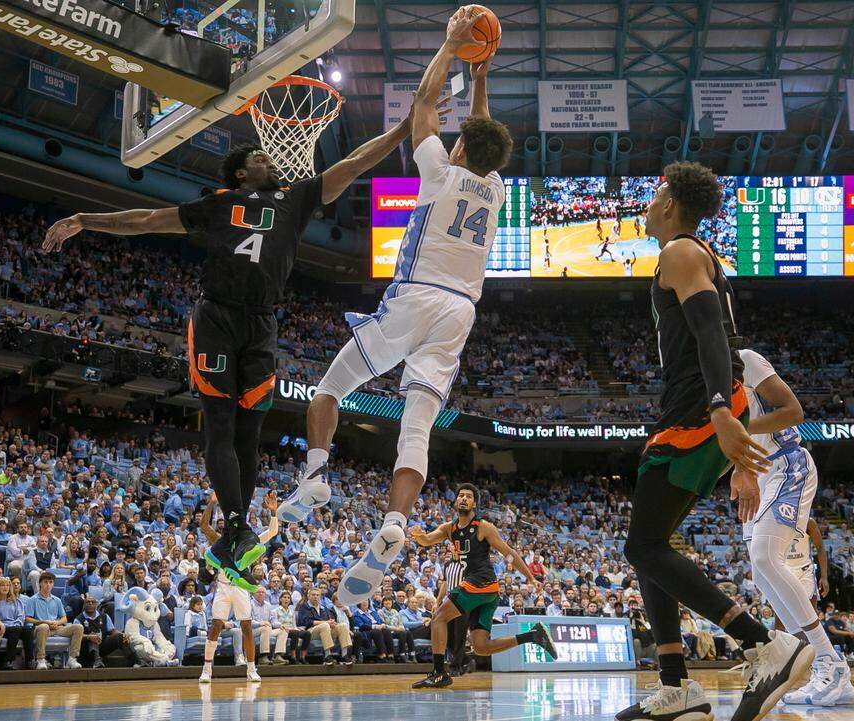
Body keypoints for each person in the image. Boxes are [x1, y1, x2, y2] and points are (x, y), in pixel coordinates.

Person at [44, 84, 419, 591]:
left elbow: (353, 163)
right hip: (216, 318)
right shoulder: (219, 201)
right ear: (242, 172)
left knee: (251, 434)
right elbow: (147, 221)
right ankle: (237, 529)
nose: (274, 158)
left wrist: (401, 128)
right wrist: (86, 220)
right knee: (219, 425)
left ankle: (237, 533)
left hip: (263, 323)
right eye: (262, 156)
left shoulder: (298, 195)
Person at [279, 7, 513, 613]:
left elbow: (426, 104)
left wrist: (449, 47)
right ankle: (392, 524)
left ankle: (314, 474)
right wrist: (481, 78)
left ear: (458, 149)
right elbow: (482, 134)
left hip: (417, 296)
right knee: (417, 426)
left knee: (330, 387)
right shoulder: (498, 189)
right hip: (461, 313)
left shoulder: (439, 170)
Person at [612, 162, 811, 721]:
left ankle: (766, 646)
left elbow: (710, 334)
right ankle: (677, 686)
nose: (646, 205)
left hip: (699, 410)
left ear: (671, 203)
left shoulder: (680, 250)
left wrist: (722, 408)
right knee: (650, 544)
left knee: (642, 547)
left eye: (653, 197)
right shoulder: (687, 254)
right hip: (693, 408)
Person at [733, 347, 853, 707]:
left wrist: (736, 431)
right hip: (759, 470)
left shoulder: (745, 360)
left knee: (766, 558)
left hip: (787, 464)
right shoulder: (704, 376)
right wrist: (740, 466)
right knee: (760, 573)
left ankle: (830, 660)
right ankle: (822, 664)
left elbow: (793, 411)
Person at [409, 483, 557, 688]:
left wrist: (530, 577)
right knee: (481, 647)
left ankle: (438, 672)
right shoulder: (449, 528)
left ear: (474, 504)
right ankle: (533, 635)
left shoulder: (483, 526)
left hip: (481, 582)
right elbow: (427, 540)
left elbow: (509, 553)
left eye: (468, 496)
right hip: (487, 592)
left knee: (439, 618)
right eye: (460, 495)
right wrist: (418, 535)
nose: (463, 498)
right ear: (455, 501)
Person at [198, 492, 279, 683]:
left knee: (246, 627)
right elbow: (203, 526)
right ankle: (206, 669)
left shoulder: (249, 541)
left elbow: (272, 532)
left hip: (241, 588)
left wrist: (274, 513)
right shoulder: (220, 541)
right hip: (224, 587)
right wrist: (212, 503)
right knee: (216, 626)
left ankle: (251, 669)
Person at [25, 571, 84, 670]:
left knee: (78, 627)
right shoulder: (32, 600)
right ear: (40, 583)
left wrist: (57, 622)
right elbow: (27, 618)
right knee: (43, 627)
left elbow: (64, 618)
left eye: (50, 582)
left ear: (53, 584)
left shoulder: (57, 600)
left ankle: (72, 659)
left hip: (57, 627)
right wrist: (44, 622)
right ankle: (41, 659)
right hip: (40, 629)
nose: (48, 584)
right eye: (45, 582)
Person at [297, 587, 355, 666]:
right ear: (308, 596)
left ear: (320, 597)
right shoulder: (304, 607)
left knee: (342, 625)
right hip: (311, 631)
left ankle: (345, 655)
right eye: (313, 595)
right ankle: (328, 656)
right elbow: (307, 622)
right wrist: (326, 622)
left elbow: (329, 620)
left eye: (317, 595)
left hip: (326, 630)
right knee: (324, 625)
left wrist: (333, 623)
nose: (315, 597)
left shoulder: (323, 608)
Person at [0, 577, 34, 670]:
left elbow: (20, 616)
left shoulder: (16, 601)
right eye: (3, 585)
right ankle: (9, 661)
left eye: (7, 585)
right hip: (1, 628)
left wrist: (16, 624)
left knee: (27, 630)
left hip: (15, 626)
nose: (5, 587)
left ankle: (29, 660)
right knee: (16, 630)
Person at [275, 590, 312, 664]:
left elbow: (294, 624)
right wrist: (282, 626)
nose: (286, 599)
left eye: (288, 598)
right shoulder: (276, 610)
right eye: (284, 597)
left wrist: (298, 629)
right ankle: (293, 657)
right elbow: (275, 623)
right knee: (295, 633)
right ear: (280, 599)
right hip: (283, 630)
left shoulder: (292, 611)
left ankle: (302, 657)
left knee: (307, 633)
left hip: (292, 629)